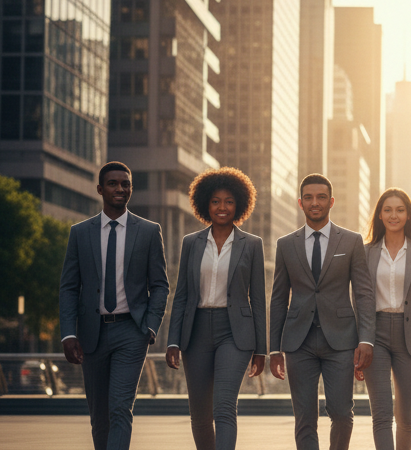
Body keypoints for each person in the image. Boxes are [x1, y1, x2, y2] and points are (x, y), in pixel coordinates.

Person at [59, 161, 170, 450]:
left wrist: (149, 326)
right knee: (99, 415)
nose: (120, 188)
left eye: (125, 184)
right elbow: (69, 287)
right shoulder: (80, 233)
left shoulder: (148, 231)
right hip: (91, 334)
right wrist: (69, 333)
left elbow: (160, 285)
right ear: (100, 189)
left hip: (131, 332)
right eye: (113, 183)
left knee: (121, 408)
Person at [269, 174, 376, 450]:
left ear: (331, 202)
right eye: (308, 197)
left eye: (320, 197)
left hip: (341, 341)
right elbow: (279, 298)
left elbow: (363, 293)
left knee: (341, 412)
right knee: (304, 418)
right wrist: (274, 348)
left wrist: (366, 339)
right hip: (298, 341)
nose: (314, 203)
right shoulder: (286, 244)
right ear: (300, 203)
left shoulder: (352, 241)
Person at [165, 167, 267, 450]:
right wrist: (173, 340)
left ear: (240, 205)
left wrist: (261, 349)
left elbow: (258, 300)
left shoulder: (252, 245)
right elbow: (182, 295)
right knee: (199, 414)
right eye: (216, 201)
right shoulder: (191, 243)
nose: (222, 207)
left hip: (234, 334)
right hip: (195, 331)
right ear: (204, 204)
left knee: (224, 407)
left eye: (229, 201)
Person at [357, 188, 411, 450]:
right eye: (388, 210)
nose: (394, 215)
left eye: (400, 210)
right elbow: (358, 300)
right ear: (380, 215)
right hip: (374, 335)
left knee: (406, 416)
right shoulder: (365, 251)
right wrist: (358, 343)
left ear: (408, 215)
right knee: (381, 414)